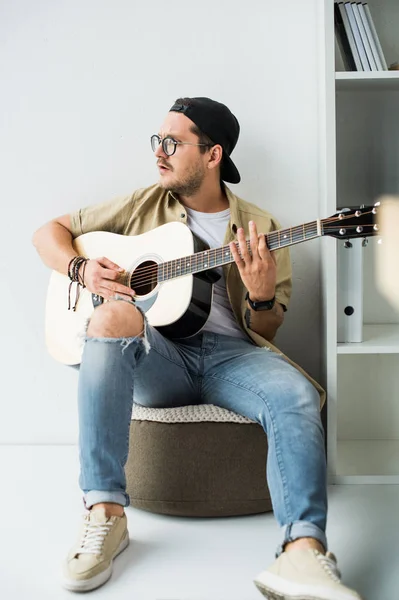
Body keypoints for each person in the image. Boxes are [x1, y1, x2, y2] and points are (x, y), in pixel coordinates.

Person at [33, 96, 362, 600]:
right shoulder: (145, 204)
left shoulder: (261, 227)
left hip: (236, 358)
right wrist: (80, 268)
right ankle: (105, 513)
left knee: (296, 392)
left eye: (173, 143)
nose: (159, 152)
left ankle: (302, 552)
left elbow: (267, 329)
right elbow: (47, 233)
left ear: (213, 155)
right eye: (158, 141)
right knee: (111, 313)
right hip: (161, 357)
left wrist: (262, 293)